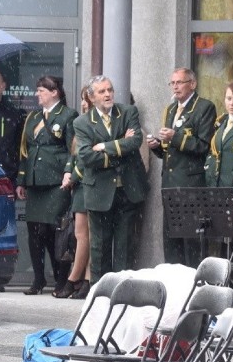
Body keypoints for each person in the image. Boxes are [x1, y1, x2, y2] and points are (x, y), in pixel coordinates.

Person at [74, 75, 149, 282]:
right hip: (99, 192)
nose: (108, 94)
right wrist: (119, 150)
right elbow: (87, 157)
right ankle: (99, 295)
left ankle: (122, 294)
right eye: (102, 91)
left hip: (128, 190)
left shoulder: (128, 112)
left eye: (110, 90)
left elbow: (134, 142)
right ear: (91, 97)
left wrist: (105, 147)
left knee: (125, 248)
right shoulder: (82, 122)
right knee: (99, 248)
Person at [147, 68, 217, 267]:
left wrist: (175, 137)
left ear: (192, 84)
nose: (175, 87)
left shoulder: (204, 107)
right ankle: (173, 282)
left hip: (190, 184)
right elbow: (169, 150)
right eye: (172, 83)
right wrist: (157, 146)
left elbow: (203, 146)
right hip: (169, 183)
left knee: (191, 240)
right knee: (171, 239)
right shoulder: (170, 109)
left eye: (180, 82)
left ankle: (194, 284)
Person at [17, 76, 78, 296]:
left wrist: (69, 172)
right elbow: (26, 151)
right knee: (35, 232)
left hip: (56, 181)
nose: (37, 94)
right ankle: (38, 278)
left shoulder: (68, 115)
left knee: (56, 232)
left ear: (54, 92)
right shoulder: (33, 117)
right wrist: (22, 179)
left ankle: (60, 279)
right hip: (35, 182)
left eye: (41, 90)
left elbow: (74, 148)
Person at [56, 86, 94, 299]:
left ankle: (75, 279)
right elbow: (74, 155)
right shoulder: (82, 122)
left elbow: (87, 157)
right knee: (83, 235)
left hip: (86, 184)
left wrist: (74, 176)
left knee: (82, 235)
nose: (83, 103)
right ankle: (84, 280)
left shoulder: (93, 125)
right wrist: (68, 172)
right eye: (82, 98)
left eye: (86, 98)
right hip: (78, 185)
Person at [205, 81, 233, 188]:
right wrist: (208, 165)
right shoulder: (221, 121)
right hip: (213, 184)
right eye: (228, 98)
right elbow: (213, 150)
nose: (231, 103)